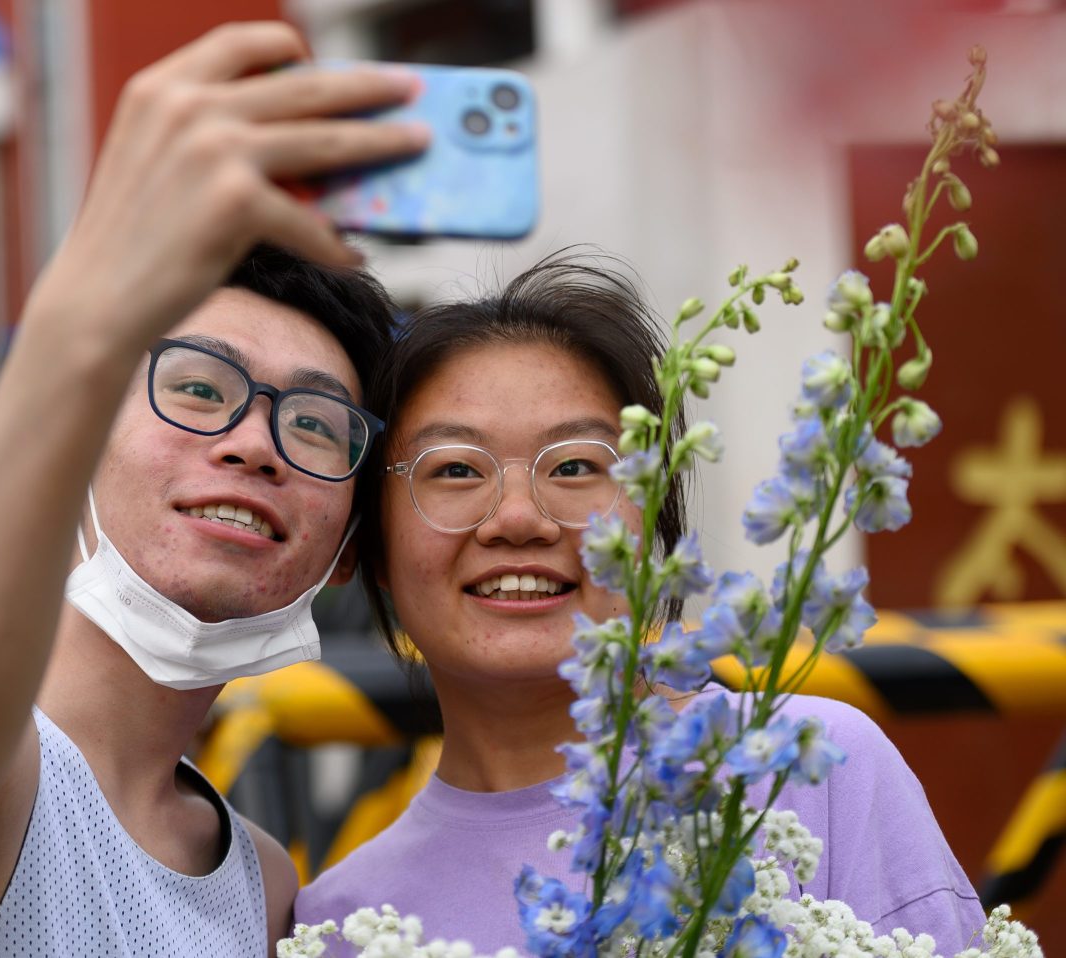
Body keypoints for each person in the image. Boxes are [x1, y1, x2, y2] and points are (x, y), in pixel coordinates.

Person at [0, 23, 430, 957]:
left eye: (312, 426)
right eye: (197, 389)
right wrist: (89, 303)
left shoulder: (262, 886)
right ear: (77, 440)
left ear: (347, 550)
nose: (254, 443)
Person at [294, 253, 986, 954]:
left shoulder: (805, 770)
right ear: (370, 546)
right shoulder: (340, 923)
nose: (517, 518)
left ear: (653, 520)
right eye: (455, 469)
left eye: (574, 467)